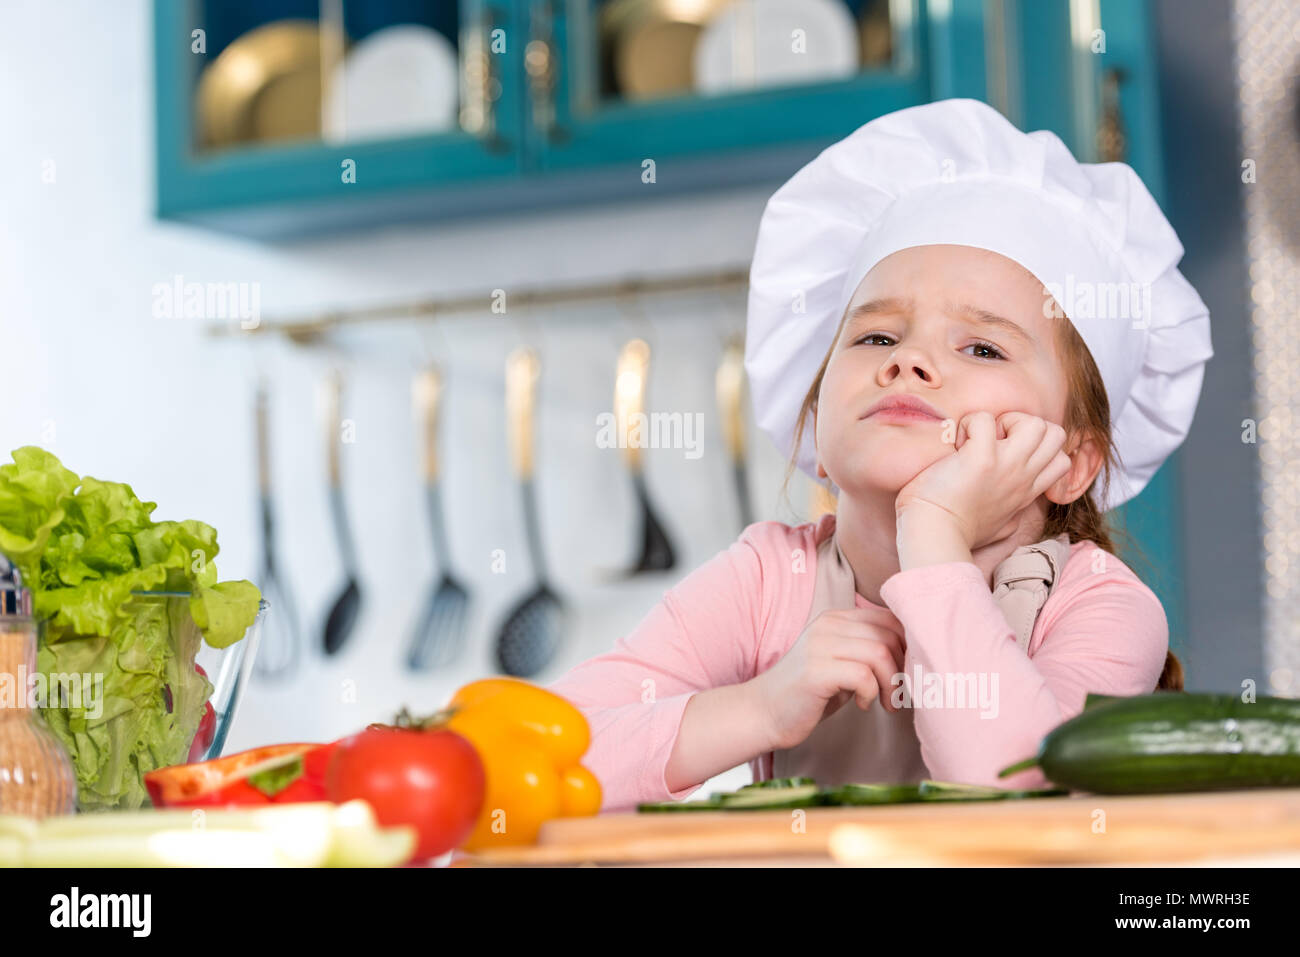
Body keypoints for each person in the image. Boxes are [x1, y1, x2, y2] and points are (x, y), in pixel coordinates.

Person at [546, 98, 1214, 812]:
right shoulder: (769, 581)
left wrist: (933, 536)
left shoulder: (1102, 608)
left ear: (1073, 461)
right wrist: (760, 709)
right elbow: (538, 752)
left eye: (982, 346)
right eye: (876, 338)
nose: (909, 362)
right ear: (815, 429)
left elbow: (1017, 796)